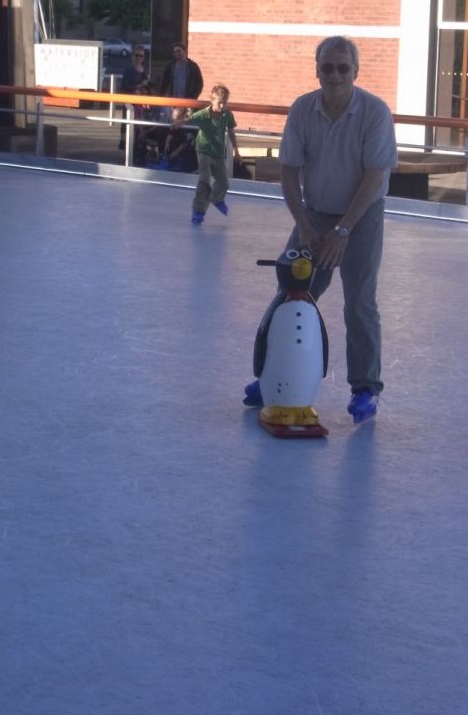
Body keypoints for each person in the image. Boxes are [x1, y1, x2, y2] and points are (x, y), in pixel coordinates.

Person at [243, 35, 398, 425]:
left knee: (359, 302)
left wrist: (343, 231)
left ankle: (365, 388)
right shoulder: (302, 109)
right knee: (290, 296)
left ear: (356, 72)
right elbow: (289, 171)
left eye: (343, 68)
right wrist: (306, 227)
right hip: (313, 217)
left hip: (360, 219)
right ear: (317, 70)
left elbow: (374, 176)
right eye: (327, 67)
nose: (335, 75)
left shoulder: (374, 112)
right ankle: (270, 378)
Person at [171, 83, 241, 225]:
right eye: (220, 103)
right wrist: (179, 123)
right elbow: (189, 119)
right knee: (204, 180)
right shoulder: (204, 114)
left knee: (223, 183)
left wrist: (236, 150)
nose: (222, 106)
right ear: (212, 101)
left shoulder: (227, 115)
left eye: (225, 103)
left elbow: (232, 132)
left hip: (218, 152)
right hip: (203, 150)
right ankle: (199, 210)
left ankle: (216, 198)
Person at [159, 42, 204, 121]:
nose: (177, 53)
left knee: (185, 122)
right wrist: (162, 97)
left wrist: (193, 97)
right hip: (173, 102)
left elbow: (199, 84)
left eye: (179, 51)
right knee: (172, 121)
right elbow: (164, 83)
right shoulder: (171, 66)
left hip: (187, 102)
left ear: (184, 51)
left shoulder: (192, 66)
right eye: (175, 52)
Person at [117, 46, 150, 152]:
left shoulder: (144, 70)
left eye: (141, 56)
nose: (139, 57)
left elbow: (147, 86)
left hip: (141, 103)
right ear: (132, 57)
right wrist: (138, 86)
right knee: (128, 124)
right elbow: (124, 85)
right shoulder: (129, 70)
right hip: (130, 102)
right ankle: (127, 148)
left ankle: (138, 147)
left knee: (140, 124)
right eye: (137, 55)